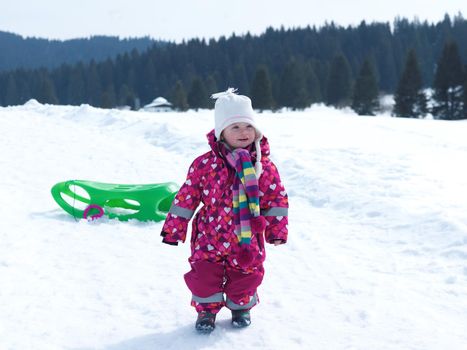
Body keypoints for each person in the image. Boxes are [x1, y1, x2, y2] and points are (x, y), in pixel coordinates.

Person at [161, 88, 288, 333]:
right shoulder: (204, 165)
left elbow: (276, 200)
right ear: (222, 133)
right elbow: (186, 198)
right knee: (204, 276)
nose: (244, 133)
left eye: (248, 127)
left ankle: (241, 306)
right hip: (209, 236)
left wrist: (276, 231)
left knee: (247, 274)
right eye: (235, 127)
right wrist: (174, 229)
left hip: (247, 237)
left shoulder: (263, 167)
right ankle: (207, 311)